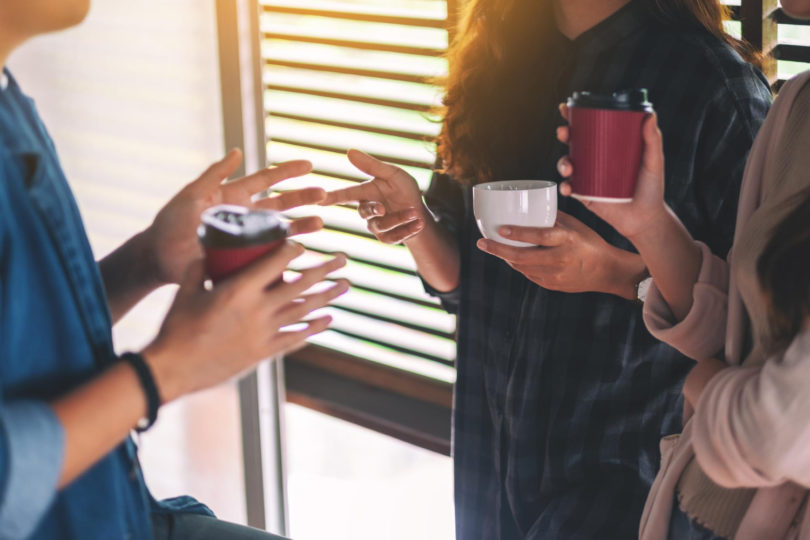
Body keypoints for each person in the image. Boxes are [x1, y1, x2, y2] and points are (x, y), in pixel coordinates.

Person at [322, 0, 773, 537]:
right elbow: (466, 283)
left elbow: (751, 326)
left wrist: (614, 272)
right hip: (489, 454)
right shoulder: (493, 59)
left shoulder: (711, 82)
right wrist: (416, 221)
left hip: (624, 475)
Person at [0, 1, 348, 539]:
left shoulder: (10, 105)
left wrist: (146, 261)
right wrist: (165, 371)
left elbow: (21, 342)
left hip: (112, 509)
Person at [555, 0, 810, 536]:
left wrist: (710, 391)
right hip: (701, 507)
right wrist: (649, 222)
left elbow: (782, 427)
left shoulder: (720, 83)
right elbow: (750, 328)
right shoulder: (801, 105)